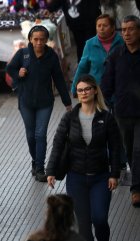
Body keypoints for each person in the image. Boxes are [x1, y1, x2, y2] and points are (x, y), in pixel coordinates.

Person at [47, 75, 121, 241]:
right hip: (76, 179)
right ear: (77, 94)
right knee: (84, 228)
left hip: (101, 178)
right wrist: (50, 171)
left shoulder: (106, 118)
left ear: (95, 91)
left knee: (100, 219)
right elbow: (57, 144)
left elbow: (116, 148)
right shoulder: (69, 117)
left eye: (87, 89)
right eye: (80, 90)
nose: (84, 93)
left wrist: (114, 174)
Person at [6, 25, 72, 182]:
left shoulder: (51, 57)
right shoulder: (23, 54)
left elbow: (59, 79)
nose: (39, 42)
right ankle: (35, 161)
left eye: (42, 39)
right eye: (35, 39)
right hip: (26, 102)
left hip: (45, 102)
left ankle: (40, 168)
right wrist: (18, 74)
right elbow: (10, 69)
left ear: (47, 40)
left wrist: (67, 102)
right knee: (31, 136)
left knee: (40, 134)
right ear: (30, 39)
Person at [101, 15, 140, 208]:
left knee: (139, 149)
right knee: (130, 149)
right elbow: (106, 84)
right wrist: (113, 104)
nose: (127, 33)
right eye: (123, 30)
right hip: (123, 113)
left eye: (131, 29)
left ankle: (136, 189)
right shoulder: (116, 55)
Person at [71, 14, 124, 95]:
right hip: (98, 91)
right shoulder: (90, 44)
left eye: (105, 25)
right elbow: (82, 68)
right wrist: (75, 88)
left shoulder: (122, 42)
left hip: (119, 88)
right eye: (99, 26)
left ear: (113, 27)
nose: (101, 28)